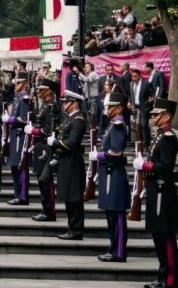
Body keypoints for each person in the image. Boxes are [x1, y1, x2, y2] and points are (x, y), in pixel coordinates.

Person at [137, 98, 178, 288]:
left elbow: (165, 166)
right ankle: (162, 274)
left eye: (156, 114)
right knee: (157, 236)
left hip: (164, 191)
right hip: (156, 189)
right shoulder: (159, 136)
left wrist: (146, 166)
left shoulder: (169, 137)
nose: (152, 117)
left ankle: (169, 279)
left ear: (167, 116)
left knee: (166, 237)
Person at [95, 92, 130, 261]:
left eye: (110, 106)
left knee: (117, 214)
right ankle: (114, 248)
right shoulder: (112, 125)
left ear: (119, 108)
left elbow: (115, 151)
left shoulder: (118, 125)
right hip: (109, 173)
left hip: (114, 174)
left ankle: (119, 251)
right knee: (111, 215)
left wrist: (100, 156)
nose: (106, 108)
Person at [54, 89, 88, 240]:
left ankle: (76, 229)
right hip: (66, 161)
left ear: (75, 103)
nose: (64, 104)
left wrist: (55, 142)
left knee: (74, 197)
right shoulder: (70, 119)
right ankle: (72, 227)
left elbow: (72, 143)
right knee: (68, 196)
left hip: (73, 162)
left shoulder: (78, 120)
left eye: (67, 102)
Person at [30, 78, 59, 222]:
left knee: (46, 181)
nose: (39, 92)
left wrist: (34, 131)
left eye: (42, 90)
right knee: (41, 181)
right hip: (39, 146)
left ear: (49, 91)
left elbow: (49, 129)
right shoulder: (44, 106)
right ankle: (45, 209)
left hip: (46, 147)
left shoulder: (51, 107)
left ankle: (49, 211)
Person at [6, 75, 30, 205]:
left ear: (24, 84)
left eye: (18, 83)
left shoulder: (24, 99)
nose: (16, 85)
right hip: (15, 134)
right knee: (14, 167)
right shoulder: (18, 98)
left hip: (20, 135)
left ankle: (22, 196)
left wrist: (11, 119)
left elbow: (24, 119)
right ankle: (17, 194)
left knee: (20, 167)